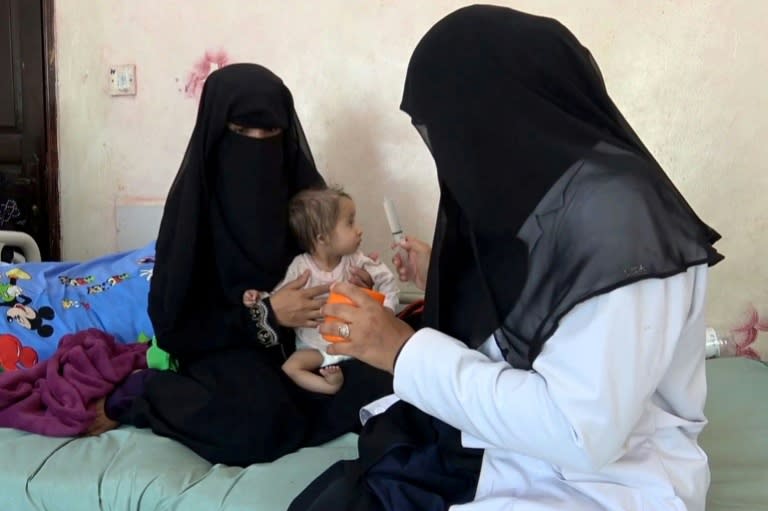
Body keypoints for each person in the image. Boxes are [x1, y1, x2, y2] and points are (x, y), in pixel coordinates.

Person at [291, 6, 722, 511]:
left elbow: (579, 432)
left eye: (449, 126)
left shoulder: (619, 219)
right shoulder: (544, 193)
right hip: (505, 441)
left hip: (601, 478)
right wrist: (438, 280)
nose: (447, 149)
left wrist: (401, 351)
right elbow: (530, 309)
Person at [105, 63, 393, 466]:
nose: (258, 146)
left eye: (271, 134)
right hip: (228, 350)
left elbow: (329, 259)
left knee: (399, 374)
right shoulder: (193, 213)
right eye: (242, 134)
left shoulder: (303, 200)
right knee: (257, 423)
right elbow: (174, 328)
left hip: (309, 345)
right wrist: (266, 314)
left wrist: (353, 284)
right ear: (217, 133)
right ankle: (151, 392)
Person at [244, 186, 399, 395]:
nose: (359, 229)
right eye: (350, 223)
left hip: (355, 339)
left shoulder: (358, 261)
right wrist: (261, 299)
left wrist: (387, 311)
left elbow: (388, 283)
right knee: (290, 368)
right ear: (322, 238)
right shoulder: (301, 266)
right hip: (315, 347)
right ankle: (330, 385)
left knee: (389, 355)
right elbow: (283, 296)